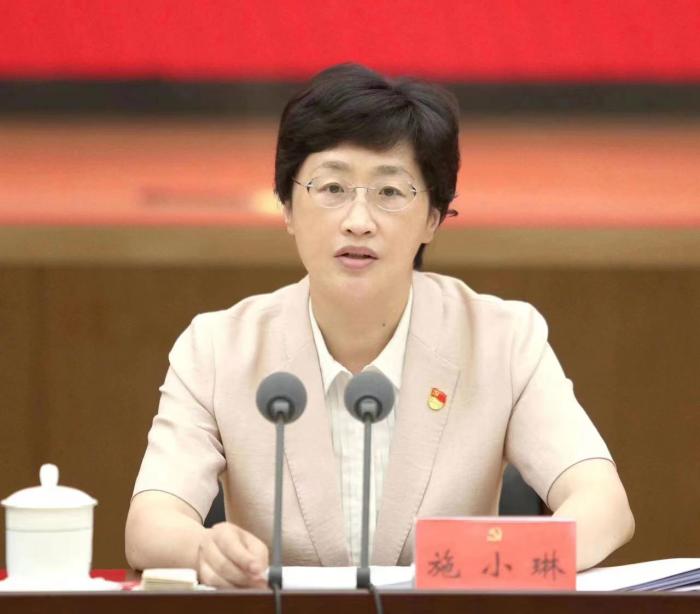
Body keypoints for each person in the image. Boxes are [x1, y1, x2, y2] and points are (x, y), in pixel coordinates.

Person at [125, 63, 634, 588]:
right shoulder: (218, 348)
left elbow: (603, 504)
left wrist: (496, 560)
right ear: (288, 208)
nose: (358, 221)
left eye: (390, 193)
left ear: (433, 217)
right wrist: (203, 549)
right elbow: (150, 524)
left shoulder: (503, 340)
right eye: (332, 188)